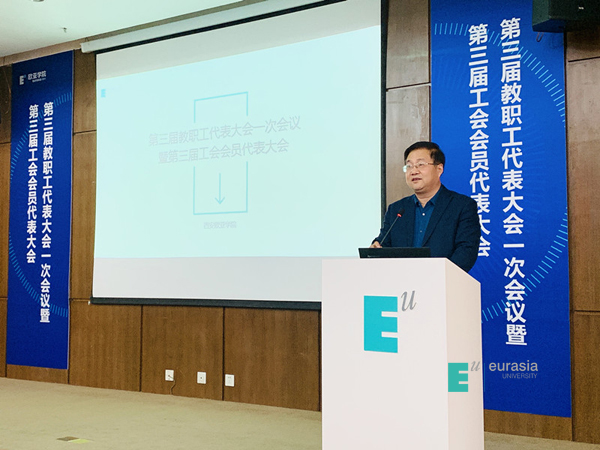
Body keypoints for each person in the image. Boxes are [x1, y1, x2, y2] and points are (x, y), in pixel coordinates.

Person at [371, 141, 480, 272]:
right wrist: (376, 248)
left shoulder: (461, 206)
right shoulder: (397, 210)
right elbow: (383, 243)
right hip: (402, 281)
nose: (413, 171)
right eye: (409, 166)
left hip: (443, 281)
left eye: (420, 165)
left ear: (439, 169)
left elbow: (466, 252)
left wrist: (438, 276)